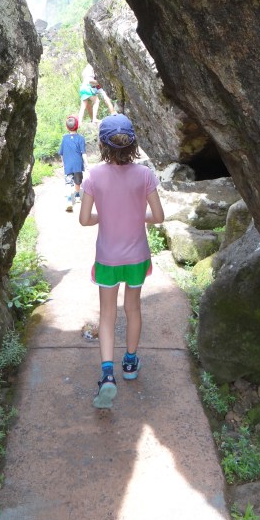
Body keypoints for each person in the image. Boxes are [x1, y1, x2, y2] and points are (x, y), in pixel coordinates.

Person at [79, 113, 165, 408]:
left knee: (107, 314)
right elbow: (159, 216)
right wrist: (133, 213)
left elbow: (83, 219)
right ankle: (129, 364)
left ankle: (107, 375)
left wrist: (108, 213)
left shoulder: (92, 176)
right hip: (137, 256)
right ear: (132, 144)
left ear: (103, 145)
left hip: (107, 257)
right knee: (133, 308)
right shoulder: (145, 175)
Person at [58, 114, 88, 212]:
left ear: (67, 127)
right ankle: (78, 196)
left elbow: (61, 153)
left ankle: (69, 201)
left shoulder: (64, 138)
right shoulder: (81, 138)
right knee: (77, 181)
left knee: (68, 183)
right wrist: (87, 164)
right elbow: (83, 152)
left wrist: (63, 163)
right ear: (77, 126)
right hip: (78, 164)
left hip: (68, 165)